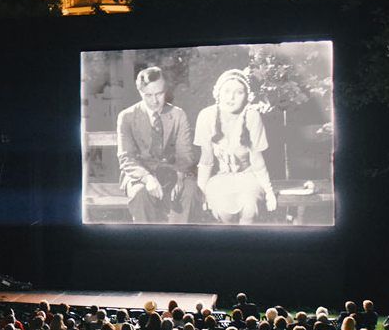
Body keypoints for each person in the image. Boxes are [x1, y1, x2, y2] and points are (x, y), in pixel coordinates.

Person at [116, 66, 199, 224]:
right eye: (148, 95)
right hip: (139, 175)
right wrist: (148, 179)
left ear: (165, 91)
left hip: (172, 172)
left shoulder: (178, 115)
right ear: (140, 92)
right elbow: (126, 158)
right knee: (140, 194)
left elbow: (185, 154)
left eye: (159, 94)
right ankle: (146, 242)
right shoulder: (126, 117)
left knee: (189, 190)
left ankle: (176, 240)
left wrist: (179, 177)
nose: (154, 101)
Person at [194, 69, 276, 225]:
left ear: (246, 97)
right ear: (218, 93)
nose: (231, 97)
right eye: (227, 91)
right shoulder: (206, 116)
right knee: (224, 210)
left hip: (248, 176)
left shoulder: (251, 116)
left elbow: (257, 160)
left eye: (239, 92)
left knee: (249, 208)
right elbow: (206, 161)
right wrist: (202, 193)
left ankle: (246, 244)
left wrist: (269, 191)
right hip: (220, 178)